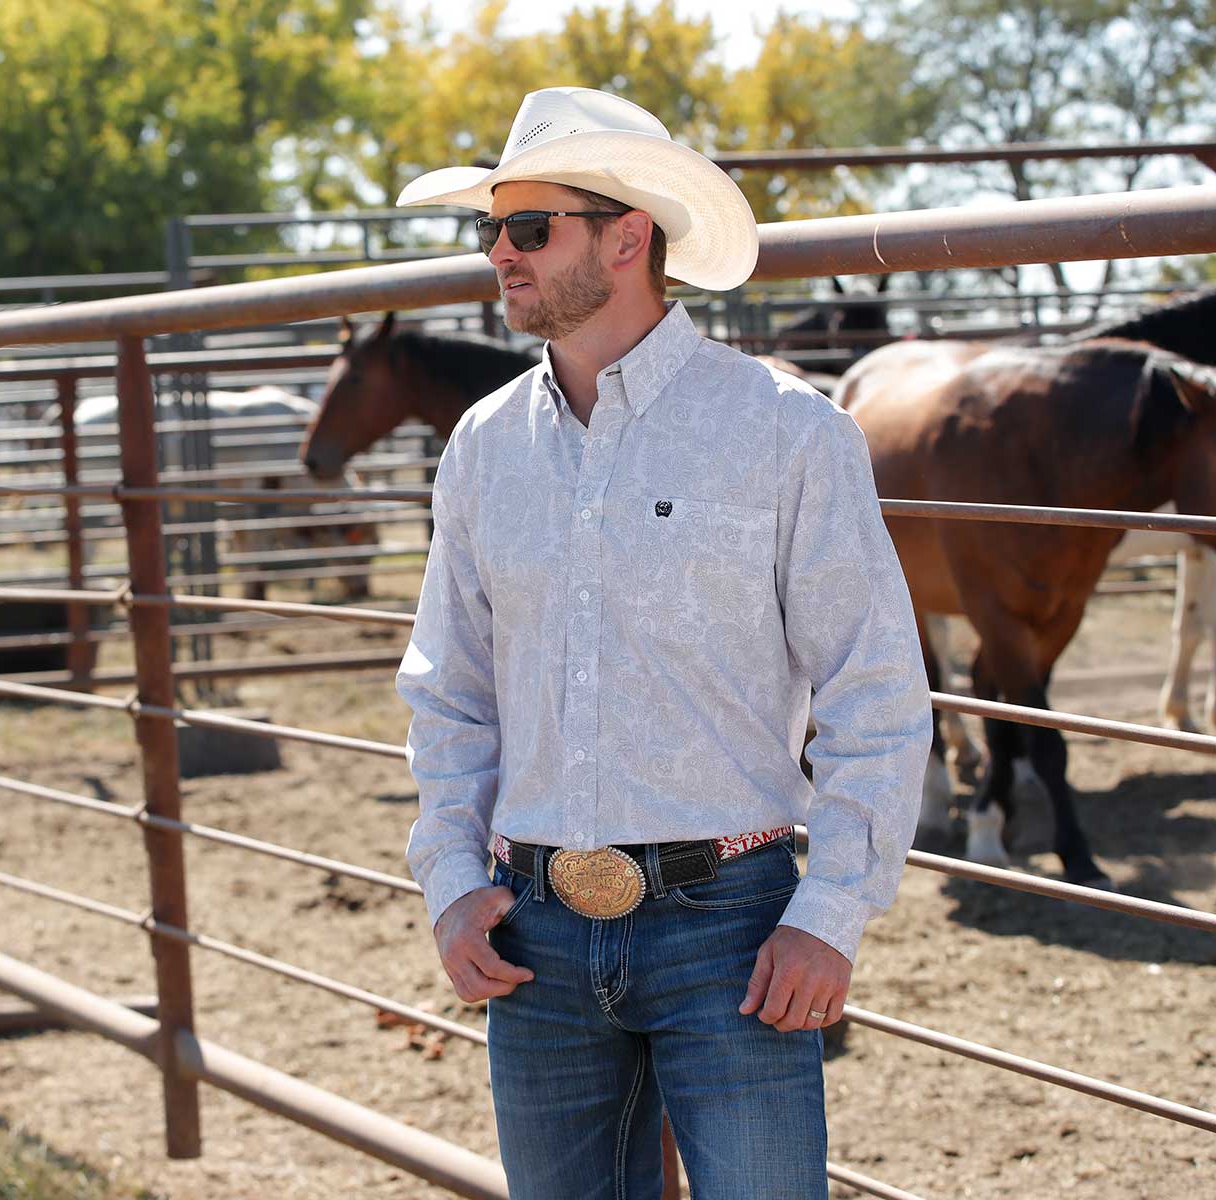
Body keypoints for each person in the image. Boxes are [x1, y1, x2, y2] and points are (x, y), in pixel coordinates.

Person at [393, 86, 933, 1199]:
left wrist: (828, 915)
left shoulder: (787, 433)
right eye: (490, 229)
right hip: (530, 929)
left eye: (529, 228)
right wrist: (450, 877)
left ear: (630, 236)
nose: (500, 253)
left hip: (733, 931)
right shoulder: (483, 448)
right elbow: (452, 688)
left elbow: (876, 687)